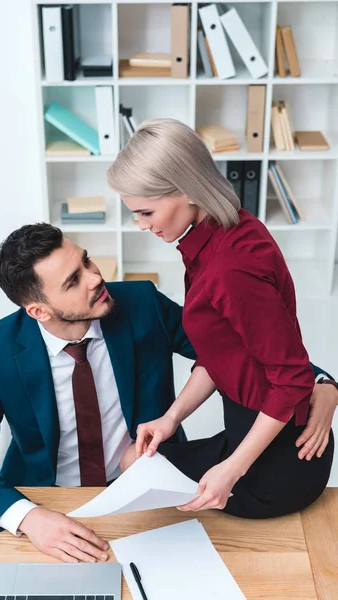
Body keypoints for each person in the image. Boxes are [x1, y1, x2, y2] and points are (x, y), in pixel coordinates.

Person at [0, 226, 334, 559]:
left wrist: (323, 383)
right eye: (73, 281)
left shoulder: (141, 304)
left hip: (151, 492)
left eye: (86, 261)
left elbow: (241, 348)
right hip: (51, 500)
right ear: (39, 310)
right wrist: (28, 516)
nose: (95, 278)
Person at [107, 118, 337, 519]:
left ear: (186, 190)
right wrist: (170, 418)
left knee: (134, 467)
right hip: (253, 431)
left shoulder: (231, 267)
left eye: (146, 212)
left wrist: (232, 469)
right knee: (137, 462)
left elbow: (291, 377)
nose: (141, 226)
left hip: (278, 461)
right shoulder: (218, 234)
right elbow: (219, 354)